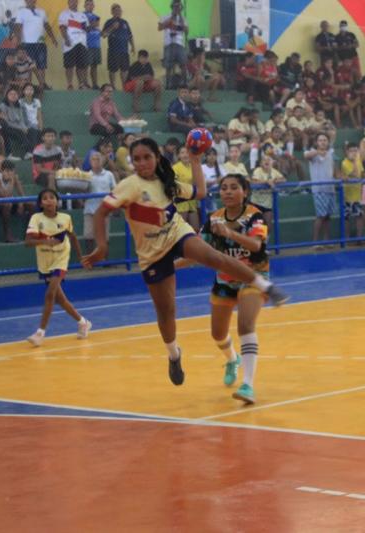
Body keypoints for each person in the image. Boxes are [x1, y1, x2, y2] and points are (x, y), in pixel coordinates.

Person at [81, 137, 289, 386]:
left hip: (177, 233)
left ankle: (266, 286)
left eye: (147, 157)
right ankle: (174, 354)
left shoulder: (167, 182)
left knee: (213, 256)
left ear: (157, 158)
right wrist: (101, 246)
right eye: (136, 159)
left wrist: (195, 159)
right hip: (151, 254)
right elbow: (102, 211)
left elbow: (200, 193)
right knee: (166, 311)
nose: (142, 162)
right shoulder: (129, 185)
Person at [199, 174, 270, 404]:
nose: (228, 192)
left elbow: (256, 245)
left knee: (245, 324)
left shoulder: (254, 216)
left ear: (245, 192)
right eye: (224, 188)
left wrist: (230, 234)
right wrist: (169, 265)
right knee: (217, 333)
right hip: (224, 281)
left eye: (233, 188)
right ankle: (232, 358)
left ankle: (247, 385)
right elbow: (198, 251)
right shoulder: (213, 219)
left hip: (253, 276)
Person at [25, 188, 92, 346]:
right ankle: (83, 322)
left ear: (57, 201)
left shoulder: (65, 218)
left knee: (50, 294)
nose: (49, 200)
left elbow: (73, 237)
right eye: (45, 198)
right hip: (45, 260)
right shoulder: (36, 218)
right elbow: (28, 242)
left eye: (52, 197)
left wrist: (81, 256)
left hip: (61, 258)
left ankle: (40, 333)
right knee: (60, 299)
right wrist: (45, 241)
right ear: (40, 203)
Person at [14, 0, 59, 91]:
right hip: (27, 43)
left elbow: (46, 25)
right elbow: (17, 27)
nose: (31, 1)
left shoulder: (41, 12)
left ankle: (42, 84)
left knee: (41, 65)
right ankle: (28, 85)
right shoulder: (21, 12)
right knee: (29, 66)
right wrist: (18, 41)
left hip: (40, 43)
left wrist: (53, 38)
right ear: (25, 1)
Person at [306, 133, 336, 245]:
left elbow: (334, 169)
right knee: (320, 216)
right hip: (319, 190)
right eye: (320, 140)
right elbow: (306, 156)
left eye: (325, 140)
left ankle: (327, 241)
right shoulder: (313, 154)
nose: (323, 142)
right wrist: (318, 151)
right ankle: (315, 242)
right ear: (316, 142)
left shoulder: (330, 154)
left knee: (327, 216)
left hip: (330, 189)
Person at [83, 151, 117, 252]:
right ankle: (90, 262)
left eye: (98, 159)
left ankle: (105, 261)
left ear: (102, 160)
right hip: (90, 209)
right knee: (89, 235)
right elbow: (83, 191)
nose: (96, 161)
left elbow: (114, 190)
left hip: (104, 210)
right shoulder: (86, 175)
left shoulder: (109, 174)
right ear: (90, 161)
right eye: (93, 159)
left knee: (105, 236)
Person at [0, 159, 28, 242]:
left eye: (11, 171)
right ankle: (7, 235)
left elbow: (23, 196)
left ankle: (30, 233)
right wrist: (12, 180)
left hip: (9, 204)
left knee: (30, 204)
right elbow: (6, 195)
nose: (9, 173)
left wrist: (21, 203)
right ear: (1, 171)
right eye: (7, 171)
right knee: (7, 204)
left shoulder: (14, 177)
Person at [102, 3, 135, 90]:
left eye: (119, 11)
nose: (118, 12)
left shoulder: (125, 22)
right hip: (113, 51)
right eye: (116, 11)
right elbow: (103, 35)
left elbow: (130, 35)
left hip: (124, 51)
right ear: (112, 12)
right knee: (113, 70)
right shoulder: (108, 22)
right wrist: (112, 27)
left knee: (124, 70)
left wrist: (133, 46)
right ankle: (112, 86)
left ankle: (124, 87)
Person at [0, 87, 39, 159]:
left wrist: (24, 128)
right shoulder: (3, 106)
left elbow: (21, 120)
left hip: (19, 128)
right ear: (6, 96)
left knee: (33, 130)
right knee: (20, 132)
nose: (13, 95)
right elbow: (6, 122)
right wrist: (20, 128)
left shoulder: (19, 106)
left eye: (15, 94)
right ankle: (27, 149)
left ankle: (30, 152)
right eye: (11, 94)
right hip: (8, 128)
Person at [58, 0, 90, 90]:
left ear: (77, 2)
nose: (74, 2)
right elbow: (62, 28)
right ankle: (69, 84)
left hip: (82, 43)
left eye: (75, 1)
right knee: (69, 65)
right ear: (68, 3)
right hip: (70, 43)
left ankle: (81, 84)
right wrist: (66, 39)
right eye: (71, 1)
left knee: (81, 65)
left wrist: (92, 26)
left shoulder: (83, 15)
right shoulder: (64, 14)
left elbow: (86, 29)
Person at [158, 0, 188, 89]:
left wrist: (180, 17)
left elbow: (186, 31)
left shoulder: (183, 19)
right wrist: (172, 17)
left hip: (179, 44)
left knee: (183, 64)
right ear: (172, 7)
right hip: (169, 44)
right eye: (175, 6)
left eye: (179, 7)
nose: (177, 8)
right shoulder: (165, 16)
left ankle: (184, 84)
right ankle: (168, 85)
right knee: (168, 66)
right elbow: (159, 28)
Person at [340, 141, 365, 239]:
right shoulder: (344, 163)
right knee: (347, 218)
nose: (354, 153)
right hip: (347, 196)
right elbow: (354, 174)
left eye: (356, 150)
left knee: (359, 216)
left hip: (357, 194)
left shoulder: (358, 161)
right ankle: (347, 238)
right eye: (351, 151)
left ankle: (359, 238)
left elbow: (361, 173)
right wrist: (355, 161)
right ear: (347, 152)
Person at [172, 145, 199, 231]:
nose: (185, 155)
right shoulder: (175, 168)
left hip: (192, 200)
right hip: (181, 201)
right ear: (179, 155)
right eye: (182, 153)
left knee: (195, 229)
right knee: (182, 230)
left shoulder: (194, 166)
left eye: (187, 152)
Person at [83, 0, 103, 89]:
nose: (90, 6)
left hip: (97, 44)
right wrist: (93, 25)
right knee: (86, 65)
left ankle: (95, 84)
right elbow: (83, 29)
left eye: (92, 4)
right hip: (87, 44)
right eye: (88, 4)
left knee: (94, 66)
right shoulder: (82, 16)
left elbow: (100, 31)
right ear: (84, 5)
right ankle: (85, 83)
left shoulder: (96, 16)